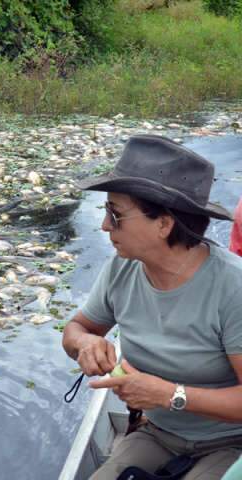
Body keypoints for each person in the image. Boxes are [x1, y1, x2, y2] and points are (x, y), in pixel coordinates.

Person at [61, 135, 242, 479]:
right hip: (159, 434)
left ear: (164, 224)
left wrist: (169, 395)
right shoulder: (122, 268)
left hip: (231, 441)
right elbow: (75, 329)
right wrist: (84, 343)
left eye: (116, 214)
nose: (104, 225)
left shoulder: (233, 288)